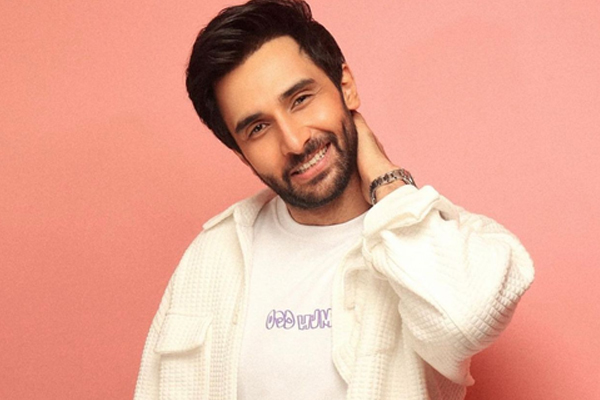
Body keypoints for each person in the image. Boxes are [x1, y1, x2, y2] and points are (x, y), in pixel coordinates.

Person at [133, 1, 534, 399]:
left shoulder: (450, 242)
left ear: (346, 86)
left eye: (300, 99)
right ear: (241, 153)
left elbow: (465, 324)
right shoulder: (213, 255)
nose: (294, 141)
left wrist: (385, 178)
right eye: (257, 128)